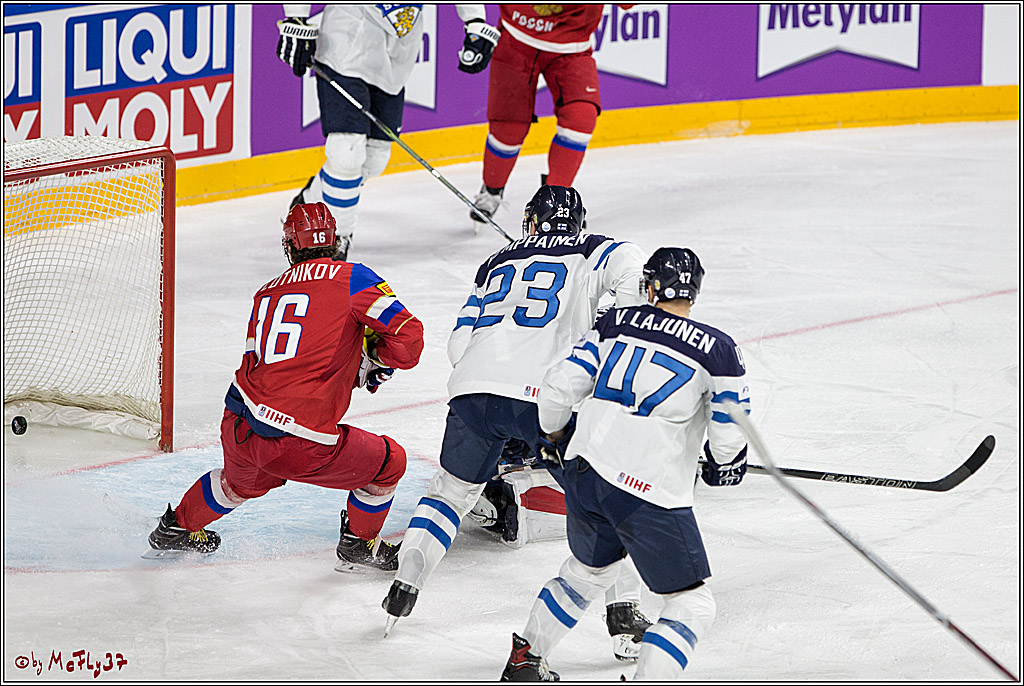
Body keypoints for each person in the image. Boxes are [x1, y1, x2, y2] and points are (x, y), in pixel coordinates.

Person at [381, 185, 651, 656]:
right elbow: (636, 273)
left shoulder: (494, 264)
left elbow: (457, 349)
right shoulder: (599, 250)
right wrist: (603, 326)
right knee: (610, 502)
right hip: (544, 399)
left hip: (473, 393)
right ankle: (623, 615)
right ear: (579, 222)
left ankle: (405, 585)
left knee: (450, 492)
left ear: (530, 221)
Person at [499, 247, 750, 681]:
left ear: (650, 285)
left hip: (586, 474)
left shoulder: (613, 323)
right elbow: (728, 435)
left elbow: (558, 389)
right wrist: (724, 464)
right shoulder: (720, 350)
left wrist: (556, 436)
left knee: (586, 573)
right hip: (647, 491)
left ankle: (526, 661)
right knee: (692, 603)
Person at [145, 203, 424, 572]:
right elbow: (409, 338)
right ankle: (359, 545)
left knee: (238, 485)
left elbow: (270, 359)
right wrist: (377, 361)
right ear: (334, 241)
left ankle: (175, 529)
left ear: (290, 246)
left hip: (239, 423)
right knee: (389, 463)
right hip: (298, 439)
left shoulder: (266, 292)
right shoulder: (353, 278)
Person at [276, 4, 499, 251]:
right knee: (347, 153)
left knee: (374, 159)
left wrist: (475, 20)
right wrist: (295, 16)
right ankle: (337, 243)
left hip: (396, 57)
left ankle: (310, 200)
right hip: (346, 40)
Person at [469, 4, 632, 229]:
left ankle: (555, 202)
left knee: (581, 117)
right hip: (515, 40)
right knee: (509, 128)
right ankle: (492, 189)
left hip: (572, 47)